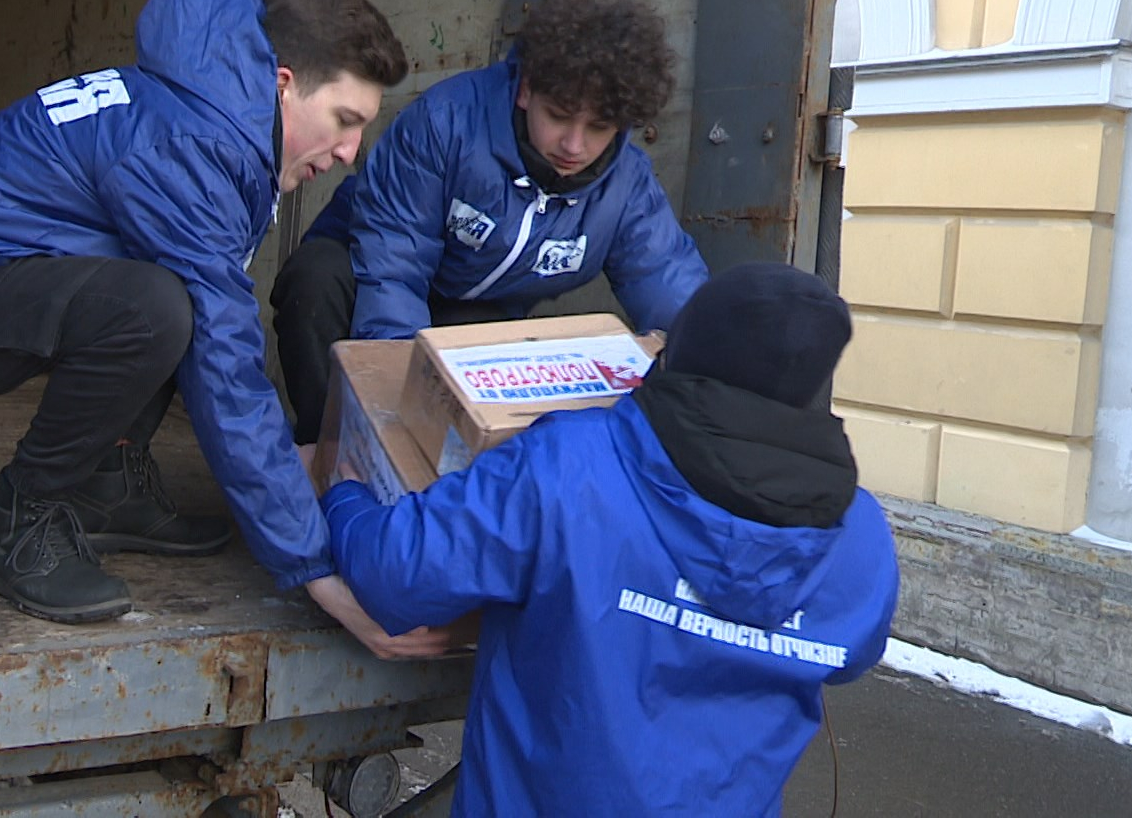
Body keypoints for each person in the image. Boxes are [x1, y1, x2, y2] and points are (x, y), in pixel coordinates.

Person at [0, 0, 445, 659]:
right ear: (282, 83)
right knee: (158, 309)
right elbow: (225, 362)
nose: (348, 154)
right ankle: (20, 521)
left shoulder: (204, 112)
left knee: (171, 291)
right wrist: (315, 567)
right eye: (345, 122)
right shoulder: (190, 145)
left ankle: (107, 486)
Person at [324, 263, 901, 815]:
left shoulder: (573, 469)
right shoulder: (862, 541)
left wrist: (345, 494)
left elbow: (394, 573)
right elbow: (851, 655)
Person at [271, 0, 709, 445]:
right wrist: (397, 419)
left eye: (598, 128)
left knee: (487, 342)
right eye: (559, 117)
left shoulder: (629, 188)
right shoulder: (444, 123)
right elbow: (393, 268)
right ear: (525, 90)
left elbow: (670, 284)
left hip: (475, 313)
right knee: (315, 281)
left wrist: (719, 377)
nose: (574, 145)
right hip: (366, 280)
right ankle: (329, 460)